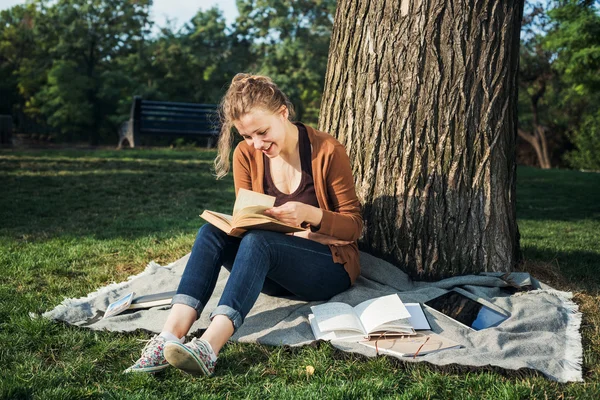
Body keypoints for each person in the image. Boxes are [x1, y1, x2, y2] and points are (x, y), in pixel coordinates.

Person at [124, 73, 363, 376]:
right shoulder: (246, 155)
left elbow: (354, 227)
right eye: (247, 136)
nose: (257, 144)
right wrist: (305, 234)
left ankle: (208, 346)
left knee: (260, 242)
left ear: (283, 113)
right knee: (211, 232)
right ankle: (168, 336)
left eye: (262, 132)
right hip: (273, 269)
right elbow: (251, 222)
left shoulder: (327, 150)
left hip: (328, 270)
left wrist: (311, 216)